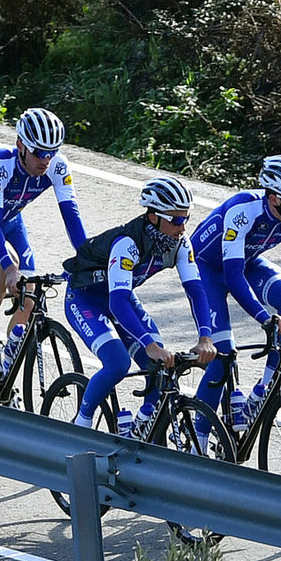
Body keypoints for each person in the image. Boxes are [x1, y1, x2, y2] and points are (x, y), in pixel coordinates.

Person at [62, 175, 215, 434]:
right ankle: (81, 425)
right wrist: (150, 345)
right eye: (176, 220)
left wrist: (205, 337)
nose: (183, 227)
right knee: (118, 363)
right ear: (154, 216)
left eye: (186, 219)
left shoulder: (179, 244)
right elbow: (118, 301)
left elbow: (197, 292)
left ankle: (141, 426)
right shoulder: (128, 243)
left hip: (120, 297)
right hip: (86, 298)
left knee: (159, 367)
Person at [190, 154, 281, 425]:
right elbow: (232, 276)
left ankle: (262, 391)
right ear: (275, 198)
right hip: (207, 269)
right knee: (223, 355)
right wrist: (265, 319)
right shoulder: (243, 210)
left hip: (247, 262)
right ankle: (199, 437)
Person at [0, 107, 87, 372]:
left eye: (52, 152)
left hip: (11, 220)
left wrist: (87, 257)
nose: (45, 160)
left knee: (31, 287)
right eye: (38, 152)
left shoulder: (57, 167)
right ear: (20, 145)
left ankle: (6, 369)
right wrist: (9, 267)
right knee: (6, 264)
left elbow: (71, 215)